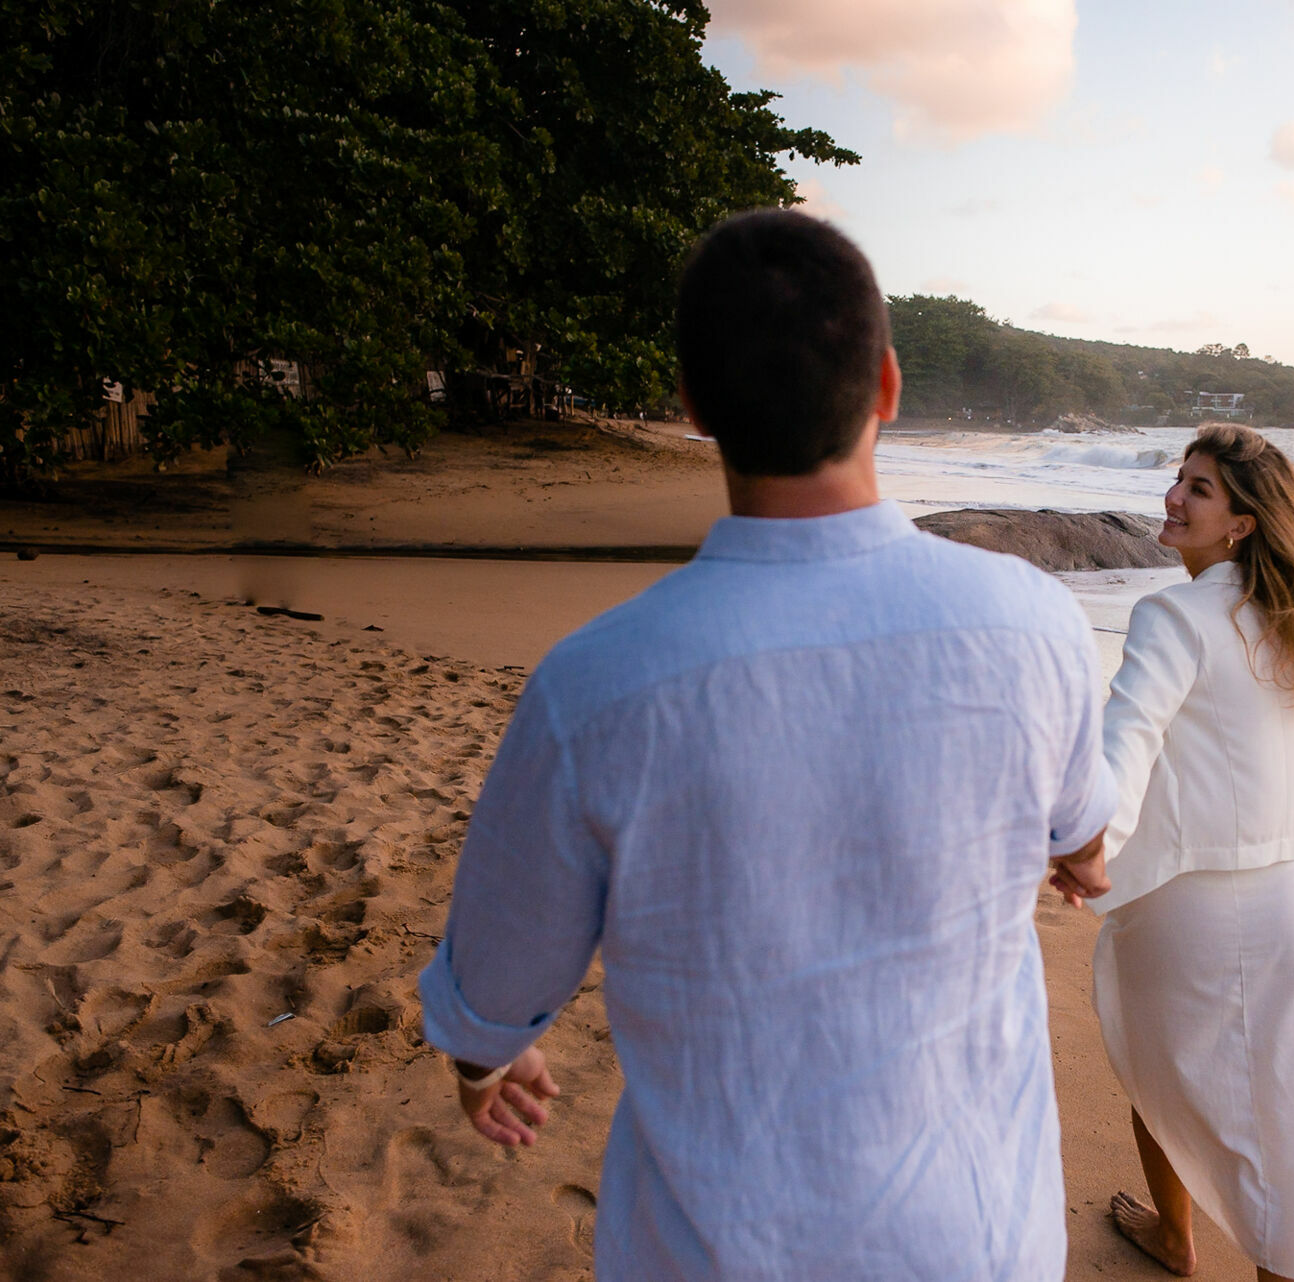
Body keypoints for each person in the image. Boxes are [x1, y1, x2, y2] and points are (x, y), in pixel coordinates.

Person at [415, 209, 1116, 1281]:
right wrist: (1070, 847)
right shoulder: (1034, 624)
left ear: (694, 408)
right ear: (885, 387)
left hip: (713, 1250)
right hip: (978, 1243)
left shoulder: (598, 683)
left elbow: (496, 981)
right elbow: (1080, 829)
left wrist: (483, 1063)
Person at [1085, 423, 1294, 1281]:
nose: (1175, 496)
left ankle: (1195, 1240)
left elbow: (1127, 736)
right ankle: (1182, 1236)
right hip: (1286, 895)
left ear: (1242, 522)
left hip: (1190, 902)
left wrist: (1088, 839)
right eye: (1179, 479)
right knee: (1288, 1116)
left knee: (1176, 1085)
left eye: (1200, 489)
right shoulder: (1289, 614)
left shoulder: (1172, 614)